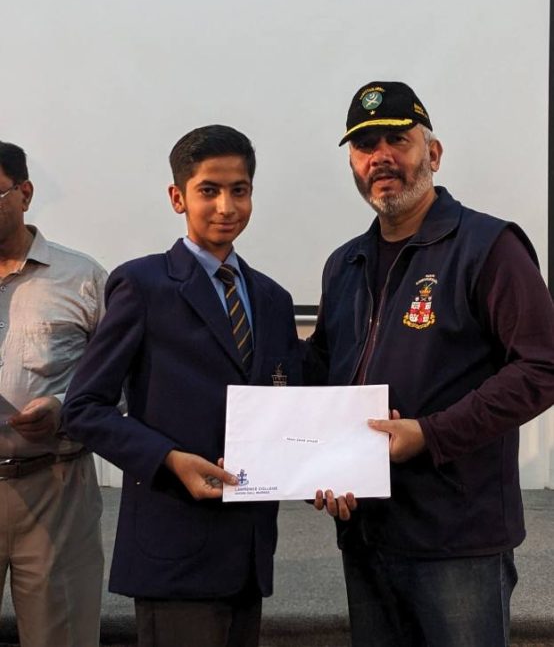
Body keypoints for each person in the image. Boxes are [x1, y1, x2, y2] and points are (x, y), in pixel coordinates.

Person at [305, 81, 554, 647]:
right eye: (365, 145)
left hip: (457, 540)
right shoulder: (344, 264)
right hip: (366, 533)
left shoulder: (489, 247)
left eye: (397, 139)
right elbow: (322, 375)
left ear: (433, 153)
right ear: (353, 164)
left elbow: (541, 367)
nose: (380, 157)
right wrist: (315, 466)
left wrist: (431, 434)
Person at [62, 124, 301, 647]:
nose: (226, 206)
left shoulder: (274, 299)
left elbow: (292, 407)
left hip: (248, 552)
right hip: (174, 547)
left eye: (239, 190)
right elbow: (83, 407)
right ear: (178, 197)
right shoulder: (143, 285)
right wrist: (170, 460)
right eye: (208, 190)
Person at [0, 141, 105, 647]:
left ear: (25, 193)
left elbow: (123, 381)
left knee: (60, 637)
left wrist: (64, 407)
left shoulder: (82, 279)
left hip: (56, 486)